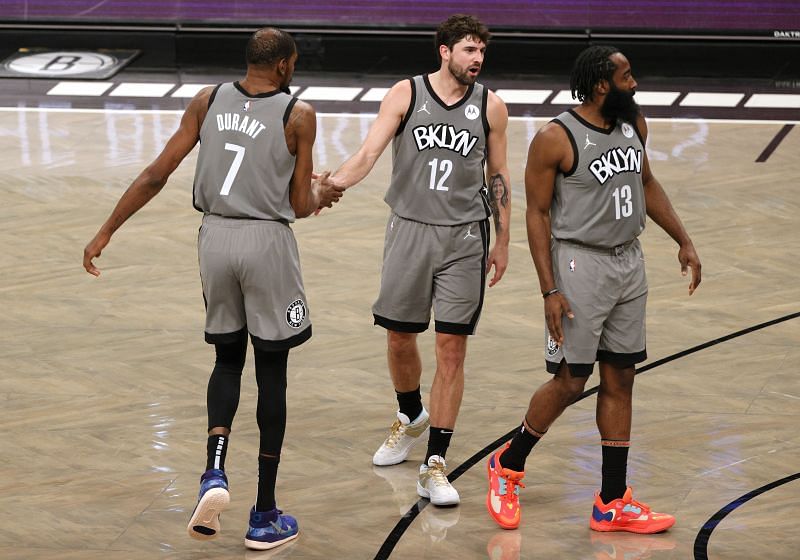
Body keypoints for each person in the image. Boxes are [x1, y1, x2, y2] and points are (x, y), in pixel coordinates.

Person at [83, 27, 343, 550]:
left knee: (227, 361)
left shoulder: (207, 100)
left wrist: (106, 229)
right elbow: (296, 203)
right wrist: (323, 193)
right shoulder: (299, 114)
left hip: (214, 240)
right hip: (266, 242)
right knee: (272, 374)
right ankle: (264, 515)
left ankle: (214, 474)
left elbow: (158, 173)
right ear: (287, 67)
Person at [486, 45, 701, 532]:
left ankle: (611, 500)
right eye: (627, 76)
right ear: (602, 84)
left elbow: (646, 183)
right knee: (570, 379)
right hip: (579, 264)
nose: (635, 82)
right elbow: (536, 215)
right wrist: (549, 290)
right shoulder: (555, 138)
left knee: (621, 378)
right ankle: (508, 465)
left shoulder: (634, 125)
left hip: (629, 263)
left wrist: (684, 240)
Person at [323, 14, 511, 506]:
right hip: (408, 229)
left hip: (465, 237)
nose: (477, 60)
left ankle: (435, 464)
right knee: (400, 335)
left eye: (481, 52)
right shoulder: (405, 94)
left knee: (452, 349)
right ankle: (410, 415)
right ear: (444, 51)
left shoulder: (491, 107)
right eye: (469, 50)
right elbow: (367, 154)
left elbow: (499, 176)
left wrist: (504, 239)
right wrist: (330, 187)